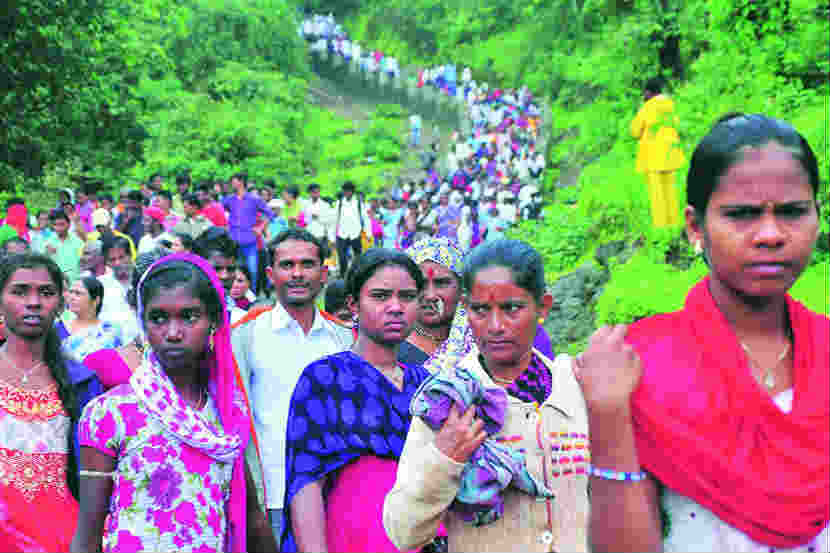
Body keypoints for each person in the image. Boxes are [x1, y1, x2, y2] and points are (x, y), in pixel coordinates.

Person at [579, 114, 829, 553]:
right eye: (741, 215)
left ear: (817, 217)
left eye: (791, 212)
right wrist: (609, 416)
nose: (770, 234)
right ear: (696, 227)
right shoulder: (640, 364)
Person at [385, 239, 592, 552]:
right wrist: (444, 458)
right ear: (466, 310)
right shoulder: (446, 403)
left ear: (543, 307)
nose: (496, 326)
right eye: (481, 310)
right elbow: (403, 531)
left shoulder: (576, 392)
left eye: (512, 308)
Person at [70, 253, 275, 552]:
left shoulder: (227, 413)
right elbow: (87, 536)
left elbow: (253, 519)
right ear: (143, 322)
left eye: (190, 316)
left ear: (214, 322)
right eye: (158, 318)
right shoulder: (110, 413)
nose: (173, 333)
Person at [281, 248, 430, 552]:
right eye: (380, 296)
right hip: (352, 537)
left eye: (407, 297)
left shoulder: (426, 384)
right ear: (353, 304)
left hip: (422, 538)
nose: (395, 307)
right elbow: (306, 481)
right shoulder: (325, 378)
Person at [231, 229, 353, 544]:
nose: (297, 273)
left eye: (307, 264)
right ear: (270, 274)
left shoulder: (345, 339)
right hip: (270, 494)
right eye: (287, 265)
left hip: (335, 494)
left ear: (324, 273)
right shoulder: (246, 337)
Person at [0, 253, 103, 551]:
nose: (33, 302)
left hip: (60, 536)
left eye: (46, 292)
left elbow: (92, 474)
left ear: (59, 303)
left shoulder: (81, 381)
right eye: (20, 291)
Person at [83, 248, 169, 390]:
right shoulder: (102, 366)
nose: (172, 329)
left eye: (187, 315)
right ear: (134, 304)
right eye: (159, 315)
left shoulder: (210, 363)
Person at [398, 237, 473, 372]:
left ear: (462, 288)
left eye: (442, 283)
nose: (431, 295)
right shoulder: (388, 350)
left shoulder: (477, 345)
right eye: (421, 283)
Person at [631, 78, 685, 228]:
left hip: (653, 157)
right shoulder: (670, 105)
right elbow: (677, 124)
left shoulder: (646, 108)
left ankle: (661, 228)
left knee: (657, 195)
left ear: (648, 92)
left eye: (645, 92)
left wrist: (640, 110)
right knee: (670, 194)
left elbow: (635, 132)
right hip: (670, 155)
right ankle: (675, 225)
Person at [223, 173, 274, 294]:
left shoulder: (254, 199)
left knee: (252, 270)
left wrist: (261, 227)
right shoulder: (230, 199)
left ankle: (251, 295)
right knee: (235, 270)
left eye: (234, 181)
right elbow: (220, 211)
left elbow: (270, 213)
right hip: (234, 240)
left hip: (250, 240)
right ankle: (236, 295)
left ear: (240, 182)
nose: (232, 184)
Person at [57, 276, 125, 364]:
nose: (71, 297)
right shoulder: (59, 329)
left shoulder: (111, 330)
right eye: (71, 292)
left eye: (78, 293)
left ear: (96, 300)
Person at [334, 181, 368, 277]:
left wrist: (368, 233)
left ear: (353, 192)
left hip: (355, 233)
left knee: (358, 256)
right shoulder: (339, 203)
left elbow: (365, 218)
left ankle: (357, 274)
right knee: (342, 257)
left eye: (349, 191)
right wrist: (332, 236)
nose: (347, 193)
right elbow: (335, 220)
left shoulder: (358, 203)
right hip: (342, 233)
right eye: (345, 191)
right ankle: (343, 275)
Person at [45, 208, 85, 284]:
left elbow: (83, 262)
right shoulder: (48, 243)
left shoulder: (78, 242)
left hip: (75, 281)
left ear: (69, 224)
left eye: (62, 224)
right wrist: (47, 253)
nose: (59, 228)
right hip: (56, 281)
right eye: (55, 225)